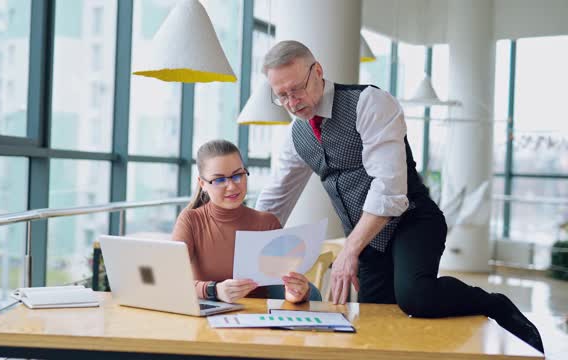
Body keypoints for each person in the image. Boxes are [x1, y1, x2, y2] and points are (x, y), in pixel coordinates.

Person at [255, 40, 544, 353]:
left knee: (416, 297)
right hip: (369, 242)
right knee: (375, 327)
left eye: (296, 89)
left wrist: (349, 250)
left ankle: (496, 305)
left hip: (413, 220)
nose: (291, 102)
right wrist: (248, 255)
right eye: (281, 95)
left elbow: (390, 190)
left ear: (318, 72)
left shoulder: (369, 103)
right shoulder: (297, 135)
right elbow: (275, 199)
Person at [172, 139, 321, 304]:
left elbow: (284, 288)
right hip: (205, 321)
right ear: (202, 184)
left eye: (237, 175)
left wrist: (296, 294)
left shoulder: (267, 223)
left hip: (257, 321)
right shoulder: (191, 220)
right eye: (219, 180)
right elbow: (171, 282)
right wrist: (214, 290)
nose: (232, 186)